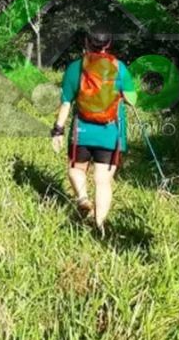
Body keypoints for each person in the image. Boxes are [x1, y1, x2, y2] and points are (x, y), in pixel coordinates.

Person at [51, 28, 136, 236]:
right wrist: (122, 92)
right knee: (102, 180)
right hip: (110, 133)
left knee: (75, 170)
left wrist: (58, 130)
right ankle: (99, 227)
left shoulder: (76, 67)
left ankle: (82, 199)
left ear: (87, 43)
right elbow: (132, 101)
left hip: (82, 131)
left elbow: (66, 103)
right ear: (109, 44)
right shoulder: (119, 68)